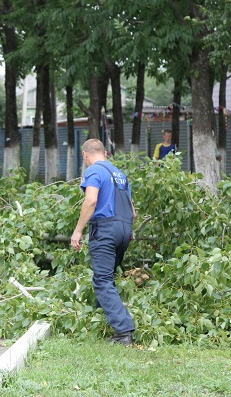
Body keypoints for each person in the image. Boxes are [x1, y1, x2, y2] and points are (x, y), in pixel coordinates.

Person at [70, 139, 136, 346]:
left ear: (85, 155)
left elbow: (91, 200)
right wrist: (126, 230)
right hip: (124, 229)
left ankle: (124, 332)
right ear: (105, 153)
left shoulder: (94, 171)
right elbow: (133, 212)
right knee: (107, 277)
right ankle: (99, 319)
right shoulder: (120, 174)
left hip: (106, 229)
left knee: (102, 280)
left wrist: (78, 230)